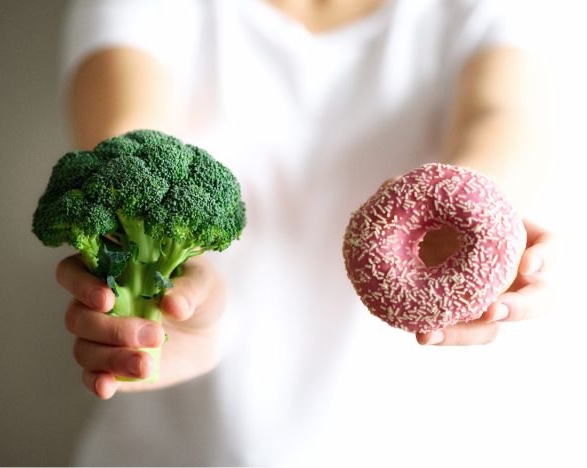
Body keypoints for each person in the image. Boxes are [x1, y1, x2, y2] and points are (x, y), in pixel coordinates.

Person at [54, 0, 555, 465]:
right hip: (172, 449)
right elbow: (131, 144)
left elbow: (504, 117)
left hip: (418, 445)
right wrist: (168, 289)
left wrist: (484, 227)